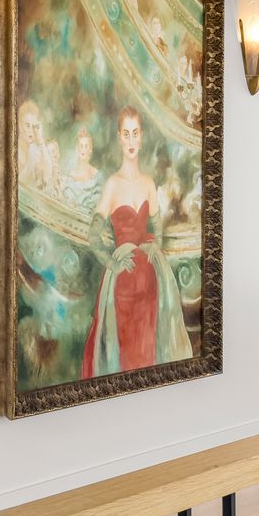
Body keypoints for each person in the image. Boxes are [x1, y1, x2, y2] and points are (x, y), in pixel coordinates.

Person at [83, 106, 193, 377]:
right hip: (122, 286)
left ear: (141, 137)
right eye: (126, 134)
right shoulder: (112, 185)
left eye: (135, 133)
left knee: (149, 354)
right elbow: (93, 237)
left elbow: (156, 226)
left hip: (151, 284)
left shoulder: (148, 183)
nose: (131, 140)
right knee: (124, 358)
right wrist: (113, 263)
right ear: (119, 138)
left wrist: (155, 244)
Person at [61, 124, 104, 212]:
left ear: (90, 150)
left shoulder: (97, 175)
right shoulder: (71, 175)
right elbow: (67, 200)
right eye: (81, 146)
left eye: (86, 146)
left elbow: (98, 201)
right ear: (77, 149)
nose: (83, 149)